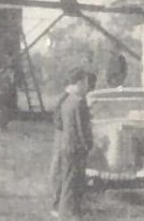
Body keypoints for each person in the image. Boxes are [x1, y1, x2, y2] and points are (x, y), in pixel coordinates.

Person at [51, 70, 93, 220]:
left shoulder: (67, 100)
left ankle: (66, 211)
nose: (87, 86)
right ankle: (67, 213)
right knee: (73, 181)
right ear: (79, 83)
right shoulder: (79, 101)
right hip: (76, 147)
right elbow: (82, 128)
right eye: (86, 82)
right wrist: (88, 145)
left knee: (68, 179)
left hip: (67, 145)